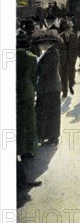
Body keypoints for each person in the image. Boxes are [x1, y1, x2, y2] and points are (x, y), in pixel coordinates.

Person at [32, 29, 62, 145]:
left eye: (41, 43)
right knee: (50, 112)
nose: (39, 46)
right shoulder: (51, 52)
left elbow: (42, 70)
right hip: (51, 87)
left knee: (50, 113)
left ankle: (52, 137)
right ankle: (49, 136)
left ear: (47, 43)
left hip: (49, 88)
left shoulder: (51, 54)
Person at [16, 30, 39, 158]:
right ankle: (29, 149)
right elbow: (34, 77)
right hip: (27, 91)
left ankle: (17, 148)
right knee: (29, 121)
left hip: (15, 91)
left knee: (17, 121)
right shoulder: (31, 58)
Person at [58, 20, 79, 98]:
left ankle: (71, 86)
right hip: (63, 60)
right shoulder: (60, 37)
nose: (72, 29)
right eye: (71, 27)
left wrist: (74, 58)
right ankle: (65, 92)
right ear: (67, 29)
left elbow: (76, 48)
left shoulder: (74, 36)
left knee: (71, 74)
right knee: (63, 76)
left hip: (71, 59)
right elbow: (58, 48)